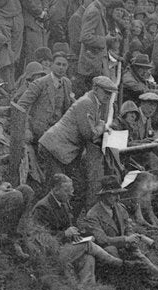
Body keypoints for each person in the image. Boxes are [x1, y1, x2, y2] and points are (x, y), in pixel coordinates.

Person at [80, 175, 158, 290]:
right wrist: (125, 239)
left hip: (128, 251)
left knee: (157, 277)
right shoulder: (93, 215)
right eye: (114, 195)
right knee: (127, 271)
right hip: (108, 258)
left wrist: (131, 238)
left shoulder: (119, 208)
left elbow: (128, 226)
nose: (118, 198)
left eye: (119, 194)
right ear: (105, 195)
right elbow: (102, 240)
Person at [38, 74, 118, 214]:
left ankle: (67, 222)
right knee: (58, 188)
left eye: (110, 93)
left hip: (63, 151)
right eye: (105, 92)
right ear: (95, 88)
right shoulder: (87, 103)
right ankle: (46, 223)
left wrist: (98, 125)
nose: (108, 96)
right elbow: (89, 134)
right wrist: (102, 126)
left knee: (76, 187)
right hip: (54, 148)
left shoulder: (94, 103)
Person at [28, 172, 126, 283]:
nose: (71, 194)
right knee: (86, 244)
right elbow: (41, 240)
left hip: (65, 247)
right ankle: (117, 262)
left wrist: (83, 235)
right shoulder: (42, 207)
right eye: (67, 191)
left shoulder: (63, 203)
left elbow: (70, 229)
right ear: (55, 190)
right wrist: (64, 234)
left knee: (89, 258)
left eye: (71, 190)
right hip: (51, 254)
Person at [15, 50, 73, 142]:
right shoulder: (40, 83)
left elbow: (71, 105)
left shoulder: (67, 83)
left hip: (58, 130)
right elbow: (21, 106)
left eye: (64, 65)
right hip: (39, 132)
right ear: (51, 65)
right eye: (58, 64)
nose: (61, 67)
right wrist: (26, 129)